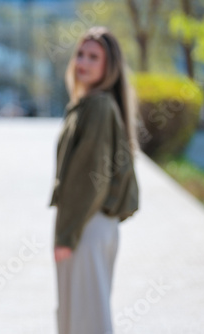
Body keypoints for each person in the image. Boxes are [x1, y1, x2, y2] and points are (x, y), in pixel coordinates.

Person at [50, 26, 139, 334]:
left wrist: (66, 235)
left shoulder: (97, 106)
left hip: (85, 225)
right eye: (80, 54)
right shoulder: (91, 103)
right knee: (81, 317)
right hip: (91, 225)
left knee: (86, 322)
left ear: (108, 66)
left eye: (93, 57)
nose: (83, 63)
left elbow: (89, 180)